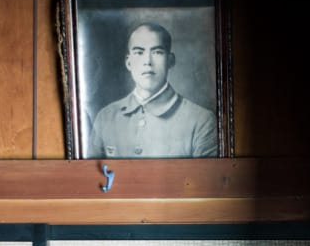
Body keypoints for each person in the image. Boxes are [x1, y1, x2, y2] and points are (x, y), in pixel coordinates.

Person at [85, 22, 218, 158]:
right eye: (139, 52)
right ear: (128, 62)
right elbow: (91, 176)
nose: (147, 61)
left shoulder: (202, 121)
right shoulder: (105, 117)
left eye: (157, 52)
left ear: (170, 61)